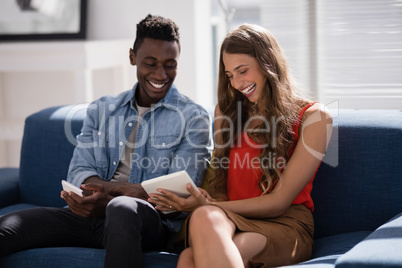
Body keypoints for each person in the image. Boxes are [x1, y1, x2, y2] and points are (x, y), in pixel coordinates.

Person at [0, 14, 210, 268]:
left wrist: (112, 197)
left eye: (170, 64)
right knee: (7, 227)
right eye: (150, 63)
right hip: (89, 216)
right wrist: (119, 191)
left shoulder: (193, 117)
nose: (161, 74)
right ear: (132, 57)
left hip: (148, 223)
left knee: (121, 208)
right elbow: (79, 171)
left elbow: (178, 192)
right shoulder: (102, 109)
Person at [149, 23, 333, 267]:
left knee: (190, 257)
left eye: (242, 70)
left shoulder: (315, 117)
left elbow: (279, 202)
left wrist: (211, 205)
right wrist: (204, 199)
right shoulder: (226, 113)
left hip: (284, 223)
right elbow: (221, 189)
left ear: (268, 61)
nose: (236, 83)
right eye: (229, 75)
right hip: (231, 218)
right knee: (200, 224)